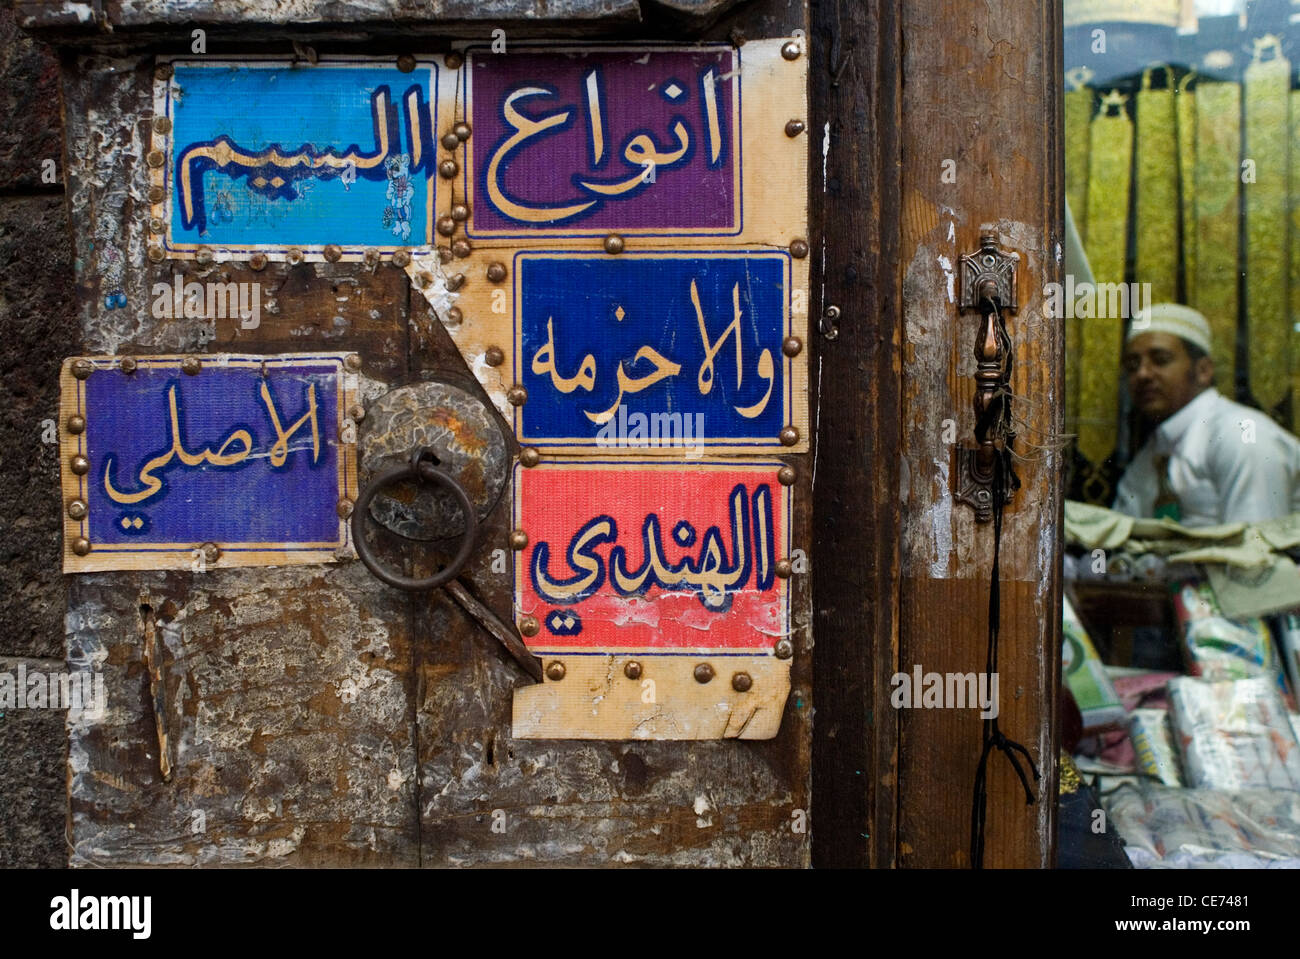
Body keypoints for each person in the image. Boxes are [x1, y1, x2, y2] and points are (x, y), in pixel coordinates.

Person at [1113, 303, 1300, 527]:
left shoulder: (1240, 434)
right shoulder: (1151, 456)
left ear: (1203, 371)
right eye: (1133, 365)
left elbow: (1255, 554)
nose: (1142, 374)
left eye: (1160, 360)